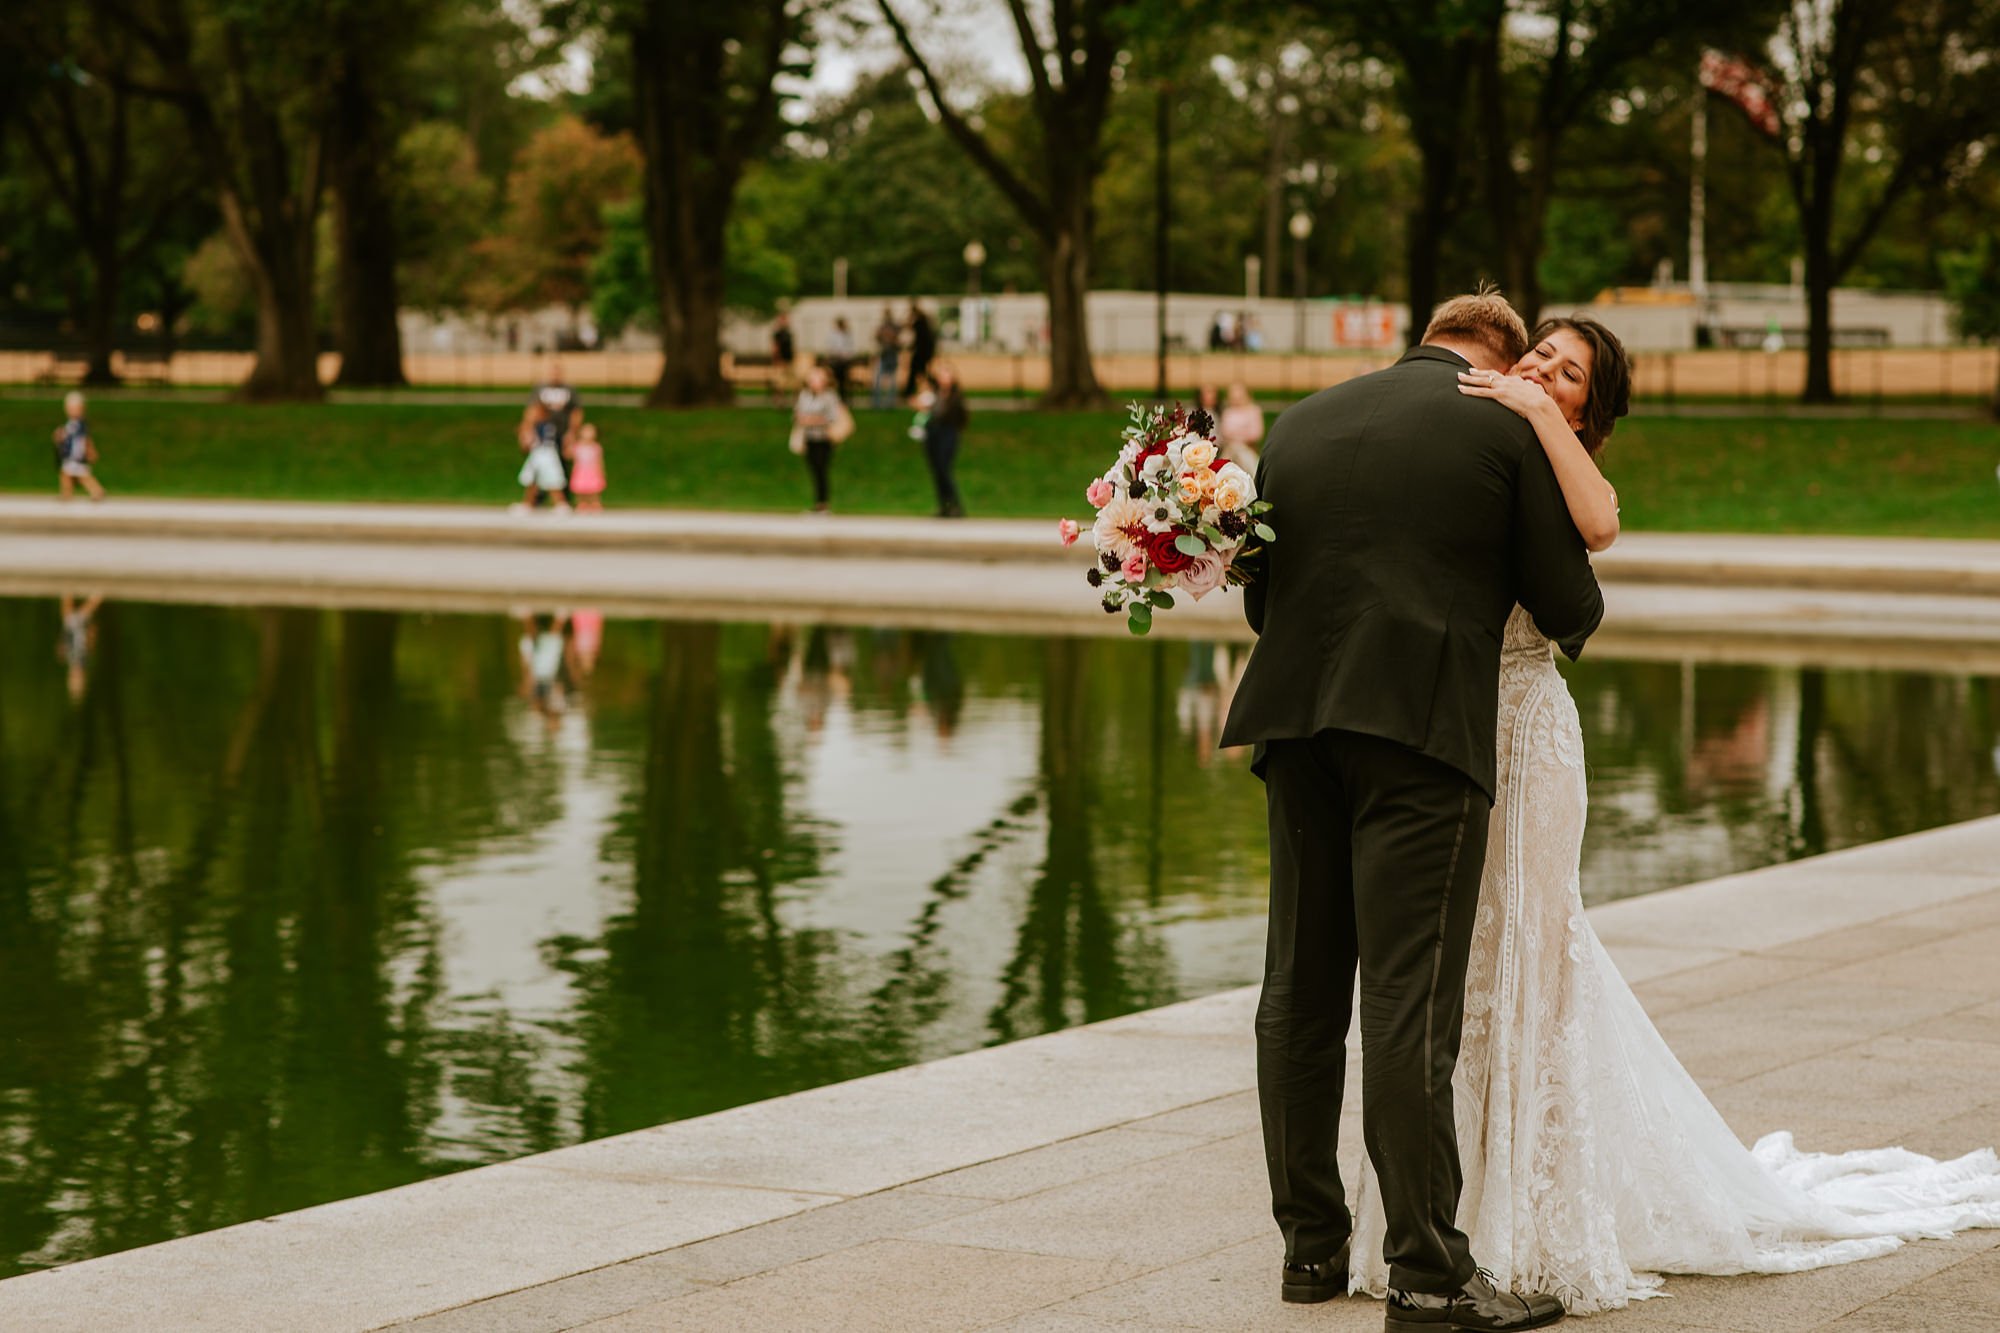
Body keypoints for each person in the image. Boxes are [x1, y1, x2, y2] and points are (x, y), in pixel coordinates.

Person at [1335, 316, 2000, 1312]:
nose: (1540, 373)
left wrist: (1528, 411)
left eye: (1566, 375)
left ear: (1584, 413)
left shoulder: (1552, 461)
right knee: (1460, 968)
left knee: (1531, 952)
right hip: (1446, 730)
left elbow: (1598, 526)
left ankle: (1527, 1211)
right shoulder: (1474, 450)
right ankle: (1441, 1213)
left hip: (1526, 735)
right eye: (1536, 358)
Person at [1218, 288, 1604, 1329]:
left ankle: (1307, 1251)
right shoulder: (1498, 421)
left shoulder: (1298, 424)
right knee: (1405, 998)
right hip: (1420, 734)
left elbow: (1262, 598)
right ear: (1498, 354)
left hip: (1294, 727)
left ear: (1422, 338)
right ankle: (1428, 1271)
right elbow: (1571, 608)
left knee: (1296, 990)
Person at [530, 361, 583, 507]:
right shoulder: (540, 389)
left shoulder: (569, 390)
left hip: (562, 433)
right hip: (543, 435)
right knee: (539, 466)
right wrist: (527, 430)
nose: (555, 375)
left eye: (558, 372)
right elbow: (532, 410)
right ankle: (538, 498)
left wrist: (572, 433)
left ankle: (564, 500)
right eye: (553, 372)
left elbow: (576, 412)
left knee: (562, 466)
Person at [793, 365, 844, 514]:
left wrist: (812, 420)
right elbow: (798, 414)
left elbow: (832, 417)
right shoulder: (804, 395)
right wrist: (808, 419)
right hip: (810, 438)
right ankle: (817, 503)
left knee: (822, 470)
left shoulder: (829, 396)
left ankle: (823, 504)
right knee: (814, 471)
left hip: (824, 439)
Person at [921, 361, 968, 518]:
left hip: (948, 433)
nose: (943, 377)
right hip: (933, 433)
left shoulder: (955, 396)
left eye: (946, 373)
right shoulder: (934, 393)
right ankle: (944, 505)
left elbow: (962, 417)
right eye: (940, 374)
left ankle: (956, 504)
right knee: (937, 472)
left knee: (944, 469)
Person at [512, 402, 569, 514]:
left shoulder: (543, 425)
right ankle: (528, 503)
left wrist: (525, 430)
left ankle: (560, 504)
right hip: (539, 453)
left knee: (552, 480)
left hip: (545, 454)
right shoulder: (543, 425)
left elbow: (528, 442)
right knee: (532, 480)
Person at [52, 391, 106, 501]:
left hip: (76, 454)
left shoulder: (80, 424)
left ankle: (96, 491)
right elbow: (67, 435)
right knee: (71, 474)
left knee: (79, 475)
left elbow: (85, 439)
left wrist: (90, 450)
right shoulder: (72, 423)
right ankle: (68, 493)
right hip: (71, 454)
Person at [1218, 382, 1265, 470]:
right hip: (1231, 450)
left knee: (1238, 449)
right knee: (1235, 448)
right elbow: (1225, 432)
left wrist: (1236, 435)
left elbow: (1256, 434)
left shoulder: (1254, 411)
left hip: (1248, 450)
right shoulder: (1228, 412)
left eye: (1239, 396)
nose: (1236, 399)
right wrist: (1243, 432)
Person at [568, 422, 607, 512]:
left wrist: (601, 471)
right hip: (580, 471)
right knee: (580, 487)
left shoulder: (596, 447)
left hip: (592, 470)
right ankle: (582, 503)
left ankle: (594, 502)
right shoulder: (577, 446)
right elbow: (569, 455)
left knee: (593, 487)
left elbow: (599, 461)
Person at [872, 306, 902, 409]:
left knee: (891, 381)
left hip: (891, 356)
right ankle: (877, 403)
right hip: (885, 355)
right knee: (880, 380)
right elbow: (876, 337)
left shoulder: (894, 327)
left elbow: (898, 341)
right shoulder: (884, 327)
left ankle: (889, 403)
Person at [903, 303, 935, 398]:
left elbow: (917, 338)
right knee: (922, 372)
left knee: (916, 372)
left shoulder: (919, 323)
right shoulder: (924, 322)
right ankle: (925, 389)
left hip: (922, 353)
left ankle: (909, 391)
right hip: (925, 352)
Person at [825, 316, 856, 403]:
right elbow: (831, 347)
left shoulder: (848, 334)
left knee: (844, 381)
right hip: (836, 360)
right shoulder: (833, 334)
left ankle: (844, 398)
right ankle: (836, 398)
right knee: (836, 380)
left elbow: (850, 348)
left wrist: (846, 354)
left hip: (845, 361)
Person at [770, 311, 796, 400]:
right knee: (780, 381)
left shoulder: (788, 333)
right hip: (781, 360)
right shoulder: (778, 333)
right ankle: (779, 398)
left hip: (789, 359)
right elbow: (775, 347)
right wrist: (777, 359)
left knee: (792, 380)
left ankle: (792, 398)